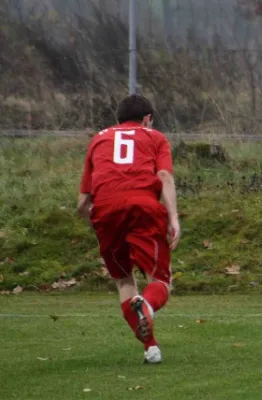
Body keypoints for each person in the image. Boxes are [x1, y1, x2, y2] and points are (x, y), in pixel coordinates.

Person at [78, 94, 181, 364]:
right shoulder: (155, 137)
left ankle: (151, 348)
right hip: (142, 207)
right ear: (147, 118)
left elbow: (82, 203)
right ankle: (146, 305)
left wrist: (97, 225)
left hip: (105, 211)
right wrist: (173, 217)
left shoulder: (98, 139)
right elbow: (164, 176)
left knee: (124, 281)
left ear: (118, 119)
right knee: (160, 281)